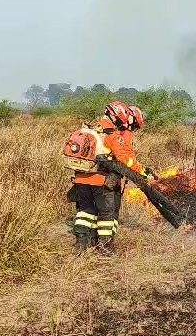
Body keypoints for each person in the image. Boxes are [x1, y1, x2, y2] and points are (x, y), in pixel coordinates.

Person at [66, 101, 153, 254]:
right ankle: (104, 248)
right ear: (118, 118)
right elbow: (126, 159)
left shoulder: (88, 129)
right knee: (107, 215)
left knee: (85, 212)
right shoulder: (111, 135)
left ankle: (81, 244)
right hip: (101, 181)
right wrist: (142, 171)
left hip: (80, 179)